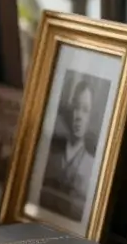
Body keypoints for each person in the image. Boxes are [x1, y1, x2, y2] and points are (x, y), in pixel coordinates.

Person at [40, 76, 96, 222]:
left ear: (90, 117)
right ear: (70, 111)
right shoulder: (49, 154)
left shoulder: (92, 167)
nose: (79, 116)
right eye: (76, 107)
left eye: (85, 110)